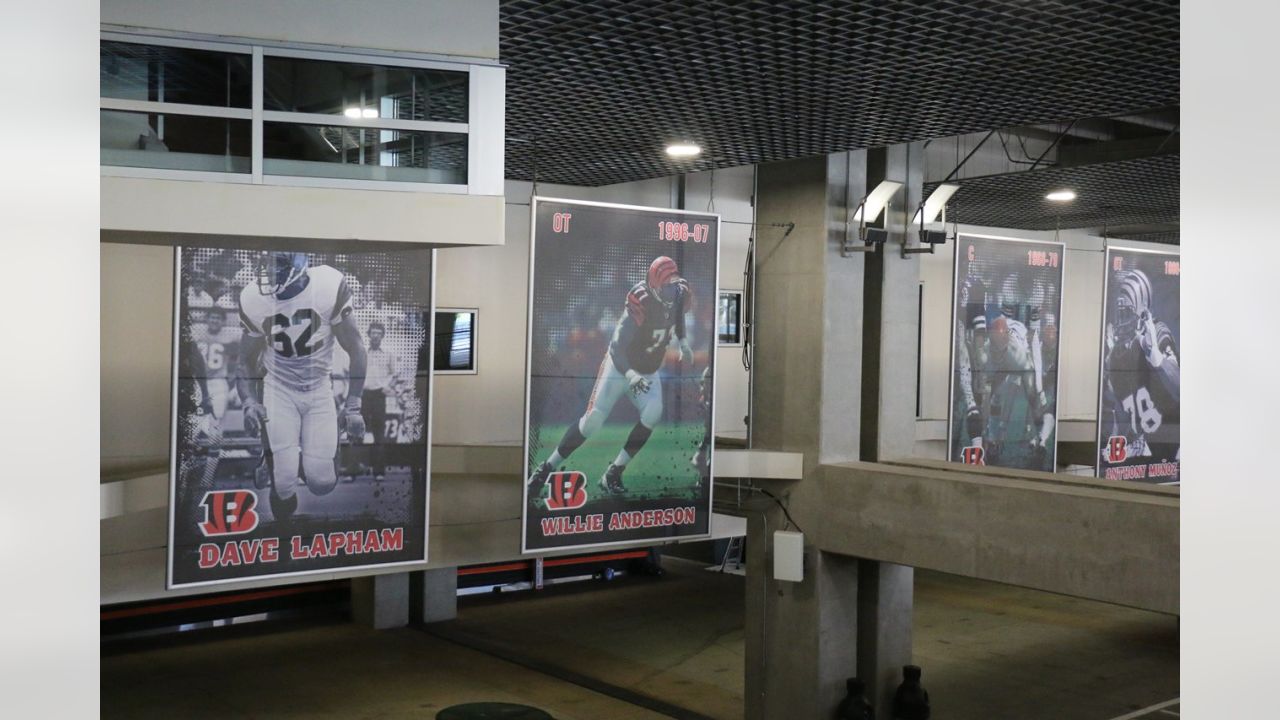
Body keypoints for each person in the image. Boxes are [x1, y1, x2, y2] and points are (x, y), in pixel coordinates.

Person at [528, 255, 694, 497]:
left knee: (653, 413)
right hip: (620, 367)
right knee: (592, 420)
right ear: (654, 285)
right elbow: (617, 348)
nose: (670, 293)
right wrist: (630, 375)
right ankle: (545, 469)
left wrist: (684, 342)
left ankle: (613, 473)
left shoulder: (680, 294)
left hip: (648, 370)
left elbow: (676, 317)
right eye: (665, 287)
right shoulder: (641, 300)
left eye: (672, 285)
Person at [234, 251, 367, 521]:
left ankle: (296, 458)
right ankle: (282, 533)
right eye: (267, 266)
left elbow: (356, 348)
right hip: (278, 386)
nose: (268, 275)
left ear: (298, 266)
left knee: (322, 483)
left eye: (277, 267)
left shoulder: (327, 286)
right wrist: (248, 401)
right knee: (283, 485)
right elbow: (243, 360)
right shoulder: (253, 299)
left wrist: (353, 406)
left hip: (319, 387)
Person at [1100, 269, 1180, 470]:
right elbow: (1123, 414)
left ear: (1142, 311)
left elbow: (1181, 389)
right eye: (1119, 313)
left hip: (1175, 446)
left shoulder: (1158, 335)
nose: (1121, 320)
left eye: (1126, 312)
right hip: (1148, 450)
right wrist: (1114, 445)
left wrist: (1158, 360)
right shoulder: (1116, 357)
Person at [362, 320, 406, 478]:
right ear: (368, 335)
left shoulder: (388, 353)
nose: (375, 336)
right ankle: (353, 470)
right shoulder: (362, 351)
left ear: (382, 336)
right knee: (356, 432)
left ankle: (378, 472)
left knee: (378, 434)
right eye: (373, 333)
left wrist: (388, 386)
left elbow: (396, 374)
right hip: (363, 395)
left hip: (379, 395)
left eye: (378, 333)